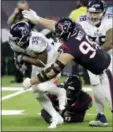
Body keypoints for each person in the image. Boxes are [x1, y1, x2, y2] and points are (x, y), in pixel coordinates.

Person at [22, 10, 112, 118]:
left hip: (107, 71)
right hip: (106, 65)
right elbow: (55, 25)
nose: (58, 35)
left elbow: (52, 71)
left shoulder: (70, 48)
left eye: (60, 34)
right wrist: (38, 19)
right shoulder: (77, 27)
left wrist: (31, 81)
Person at [9, 21, 68, 129]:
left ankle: (60, 91)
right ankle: (56, 117)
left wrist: (23, 58)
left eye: (17, 38)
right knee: (37, 93)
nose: (14, 40)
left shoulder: (36, 41)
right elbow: (16, 52)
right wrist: (18, 62)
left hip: (51, 59)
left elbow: (42, 62)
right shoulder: (14, 41)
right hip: (36, 59)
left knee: (43, 86)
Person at [77, 0, 113, 126]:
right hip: (91, 56)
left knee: (108, 82)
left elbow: (110, 42)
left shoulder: (110, 20)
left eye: (97, 13)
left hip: (109, 55)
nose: (93, 16)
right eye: (91, 12)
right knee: (95, 83)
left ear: (103, 12)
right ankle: (100, 115)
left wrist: (95, 53)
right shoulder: (80, 21)